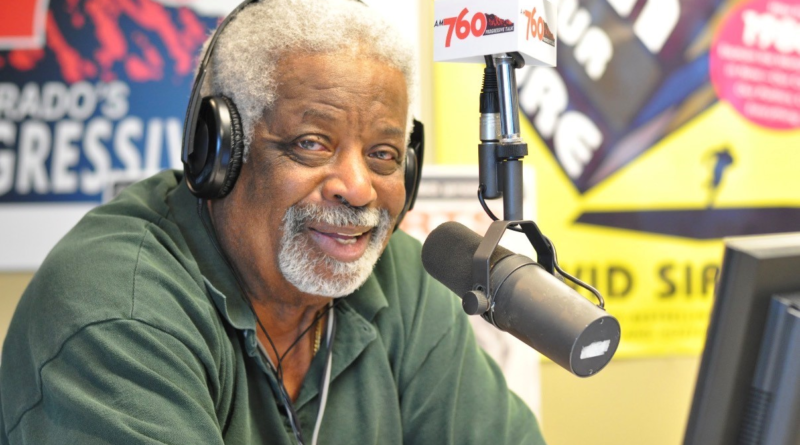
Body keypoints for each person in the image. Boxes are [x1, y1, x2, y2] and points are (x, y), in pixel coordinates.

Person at [0, 0, 547, 443]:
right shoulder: (118, 310)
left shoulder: (403, 279)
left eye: (383, 153)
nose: (358, 189)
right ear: (219, 152)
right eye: (311, 143)